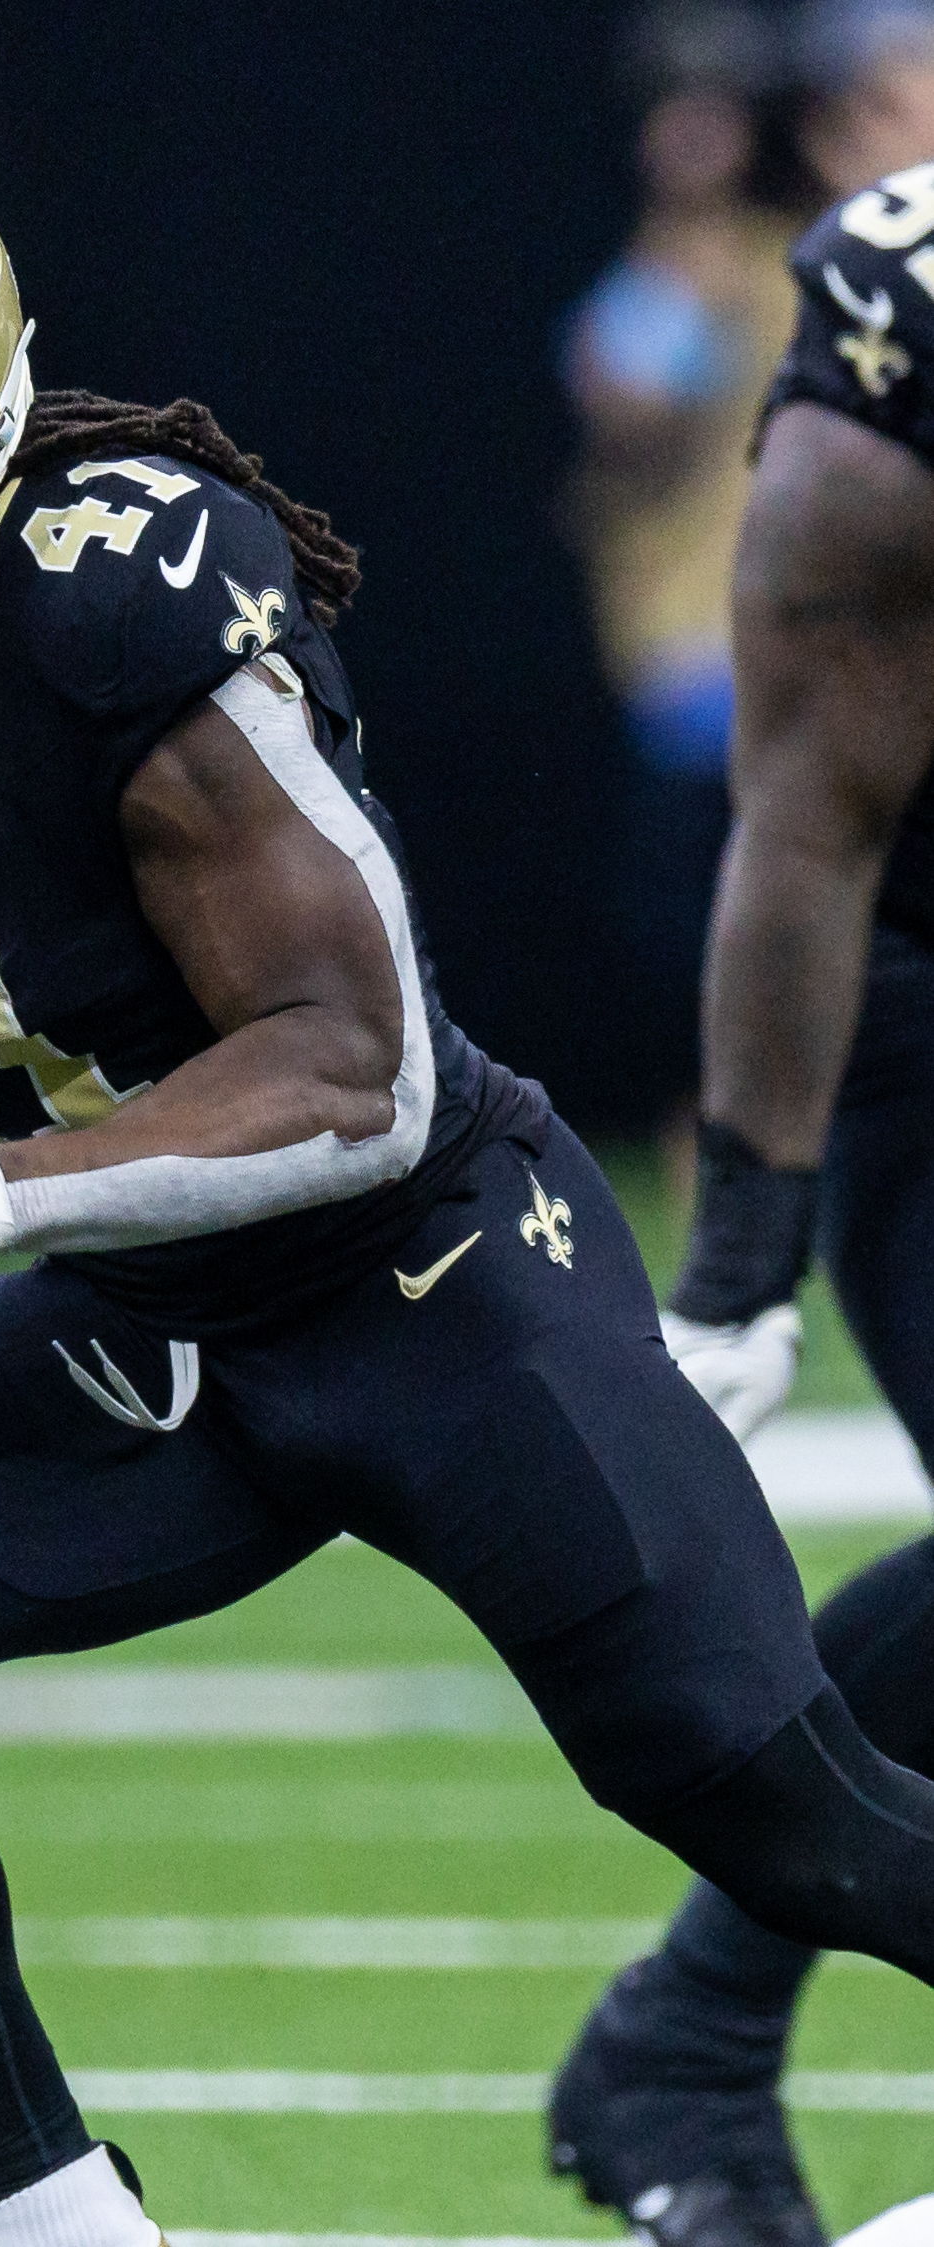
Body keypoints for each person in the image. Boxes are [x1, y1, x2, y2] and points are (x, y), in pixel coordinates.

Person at [0, 115, 934, 2246]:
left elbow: (354, 1067)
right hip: (141, 1307)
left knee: (791, 1820)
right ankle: (55, 2216)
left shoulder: (112, 584)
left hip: (414, 1269)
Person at [544, 144, 934, 2247]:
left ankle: (676, 2031)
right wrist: (743, 1256)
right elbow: (798, 827)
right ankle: (684, 2032)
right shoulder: (892, 367)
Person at [562, 5, 811, 1112]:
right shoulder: (636, 293)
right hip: (678, 656)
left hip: (795, 644)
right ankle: (699, 1124)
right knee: (680, 925)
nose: (697, 135)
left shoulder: (798, 264)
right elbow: (627, 440)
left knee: (803, 908)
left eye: (715, 111)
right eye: (678, 112)